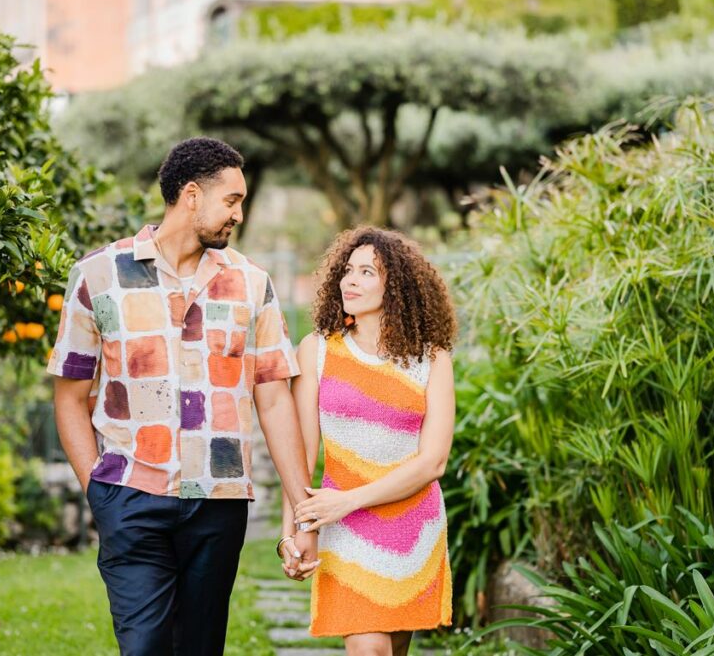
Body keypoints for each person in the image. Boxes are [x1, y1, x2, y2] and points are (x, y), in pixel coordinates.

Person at [48, 136, 318, 655]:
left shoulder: (251, 283)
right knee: (144, 646)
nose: (238, 214)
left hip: (218, 503)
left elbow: (276, 398)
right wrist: (98, 491)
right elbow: (70, 395)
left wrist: (302, 512)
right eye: (232, 201)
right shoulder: (98, 276)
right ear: (191, 195)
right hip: (130, 497)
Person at [279, 227, 457, 656]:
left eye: (366, 272)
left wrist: (349, 500)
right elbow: (301, 451)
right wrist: (293, 533)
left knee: (392, 651)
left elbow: (433, 462)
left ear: (396, 286)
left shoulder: (432, 359)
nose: (350, 281)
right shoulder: (316, 351)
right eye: (347, 270)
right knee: (369, 650)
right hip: (343, 532)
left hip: (414, 528)